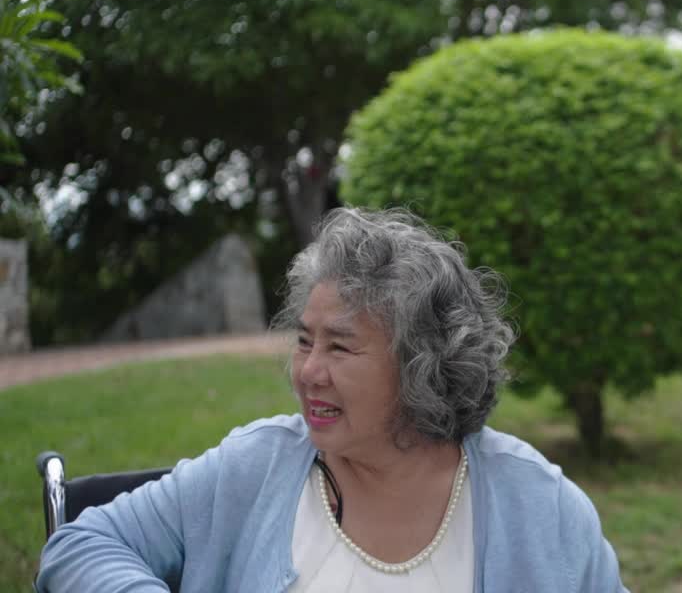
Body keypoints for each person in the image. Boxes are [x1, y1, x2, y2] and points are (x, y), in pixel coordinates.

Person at [37, 208, 627, 592]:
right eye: (303, 341)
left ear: (422, 365)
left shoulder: (539, 505)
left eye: (340, 348)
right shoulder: (257, 466)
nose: (307, 372)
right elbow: (81, 543)